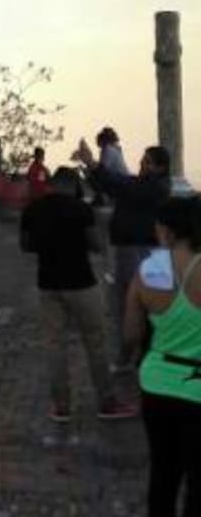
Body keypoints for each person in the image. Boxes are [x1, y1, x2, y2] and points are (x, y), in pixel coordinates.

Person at [19, 168, 136, 422]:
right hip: (81, 283)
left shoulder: (33, 209)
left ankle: (61, 407)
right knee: (95, 343)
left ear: (52, 184)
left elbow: (26, 245)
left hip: (48, 284)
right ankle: (106, 402)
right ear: (74, 186)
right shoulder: (81, 209)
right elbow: (96, 245)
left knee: (55, 345)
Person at [123, 195, 201, 516]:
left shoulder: (148, 270)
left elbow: (131, 334)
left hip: (157, 384)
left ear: (168, 230)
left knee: (163, 473)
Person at [73, 139, 172, 367]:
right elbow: (114, 185)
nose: (142, 164)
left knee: (135, 305)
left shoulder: (156, 187)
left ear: (160, 167)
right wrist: (91, 168)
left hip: (142, 251)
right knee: (138, 305)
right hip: (140, 251)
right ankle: (137, 356)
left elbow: (121, 185)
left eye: (148, 162)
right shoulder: (145, 184)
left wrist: (93, 164)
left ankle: (135, 356)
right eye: (143, 160)